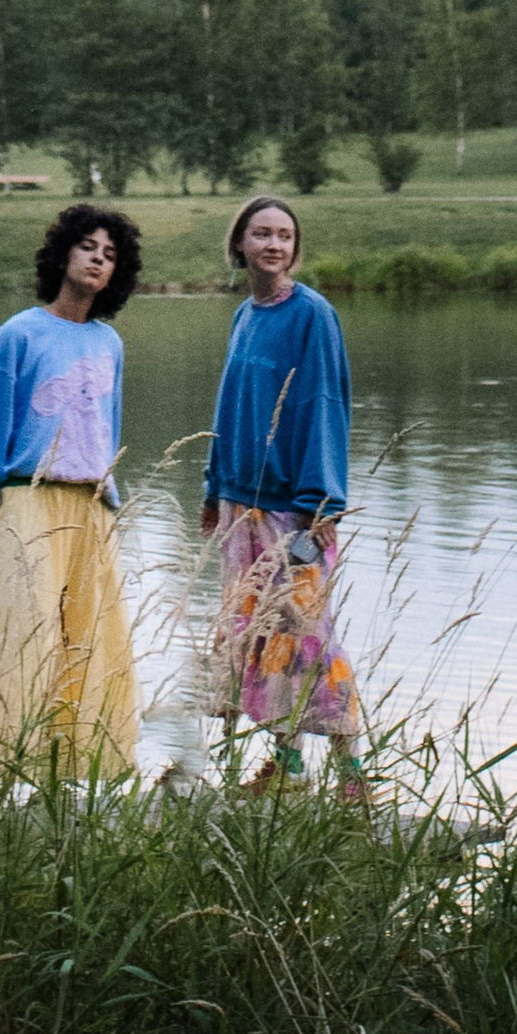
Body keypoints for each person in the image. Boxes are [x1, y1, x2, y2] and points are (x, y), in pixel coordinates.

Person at [0, 201, 143, 779]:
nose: (97, 261)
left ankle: (77, 777)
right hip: (26, 503)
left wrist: (111, 500)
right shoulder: (18, 335)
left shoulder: (110, 344)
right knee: (17, 639)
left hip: (90, 507)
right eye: (89, 248)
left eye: (109, 256)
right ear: (63, 254)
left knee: (91, 641)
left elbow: (111, 426)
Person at [201, 193, 366, 796]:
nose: (274, 245)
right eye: (262, 233)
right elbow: (228, 409)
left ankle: (352, 776)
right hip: (241, 511)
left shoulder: (311, 314)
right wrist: (213, 488)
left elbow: (325, 403)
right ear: (240, 244)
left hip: (296, 514)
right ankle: (288, 768)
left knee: (308, 631)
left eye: (285, 236)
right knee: (259, 637)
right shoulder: (246, 315)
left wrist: (320, 500)